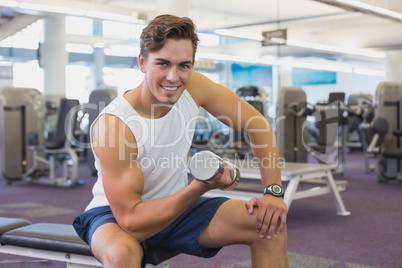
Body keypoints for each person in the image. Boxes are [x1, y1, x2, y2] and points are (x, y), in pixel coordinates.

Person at [73, 14, 288, 268]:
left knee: (267, 224)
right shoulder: (115, 125)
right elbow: (132, 222)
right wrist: (200, 187)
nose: (174, 77)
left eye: (184, 65)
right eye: (162, 64)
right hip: (114, 216)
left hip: (176, 207)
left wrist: (273, 192)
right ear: (143, 62)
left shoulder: (194, 87)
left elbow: (258, 125)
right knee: (122, 254)